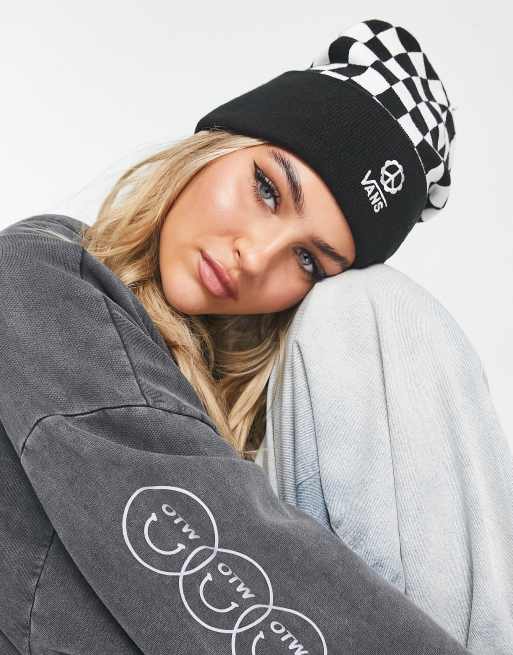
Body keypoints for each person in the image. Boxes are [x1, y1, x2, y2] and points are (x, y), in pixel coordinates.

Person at [0, 17, 481, 655]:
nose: (254, 257)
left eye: (308, 260)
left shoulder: (280, 417)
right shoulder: (38, 271)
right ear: (218, 143)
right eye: (266, 190)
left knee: (369, 309)